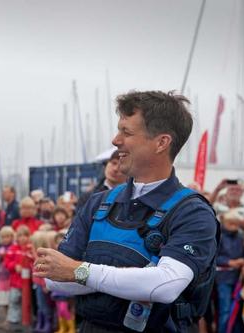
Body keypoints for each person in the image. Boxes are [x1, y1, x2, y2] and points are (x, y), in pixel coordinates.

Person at [34, 90, 218, 332]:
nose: (115, 140)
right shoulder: (98, 202)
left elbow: (165, 286)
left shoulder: (193, 213)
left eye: (127, 132)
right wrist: (138, 278)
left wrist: (80, 270)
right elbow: (54, 277)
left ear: (162, 142)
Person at [215, 210, 244, 333]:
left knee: (238, 310)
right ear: (224, 222)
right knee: (226, 309)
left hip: (239, 278)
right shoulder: (219, 236)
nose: (233, 225)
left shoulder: (240, 237)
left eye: (235, 223)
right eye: (230, 223)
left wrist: (243, 261)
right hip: (223, 278)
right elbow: (214, 257)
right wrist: (229, 262)